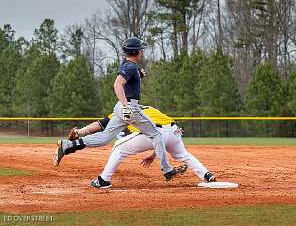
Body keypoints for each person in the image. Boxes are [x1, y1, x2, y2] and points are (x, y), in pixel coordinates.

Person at [53, 37, 183, 181]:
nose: (142, 52)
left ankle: (67, 145)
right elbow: (117, 84)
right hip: (130, 107)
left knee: (104, 138)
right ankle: (167, 169)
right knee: (156, 135)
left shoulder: (129, 65)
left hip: (121, 107)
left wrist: (137, 76)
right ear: (135, 51)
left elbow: (127, 83)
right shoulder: (130, 67)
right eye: (141, 49)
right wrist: (127, 106)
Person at [65, 106, 216, 188]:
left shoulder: (122, 111)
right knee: (184, 156)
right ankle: (207, 175)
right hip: (174, 131)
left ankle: (103, 180)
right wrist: (153, 155)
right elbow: (162, 134)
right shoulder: (149, 108)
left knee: (118, 147)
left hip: (154, 134)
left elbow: (98, 125)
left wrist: (80, 132)